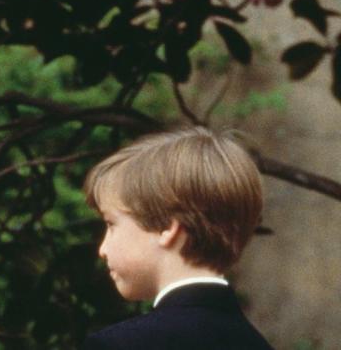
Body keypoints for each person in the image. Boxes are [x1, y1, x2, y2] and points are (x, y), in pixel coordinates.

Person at [81, 126, 273, 350]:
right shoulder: (257, 344)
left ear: (166, 228)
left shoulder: (118, 344)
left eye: (111, 224)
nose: (102, 249)